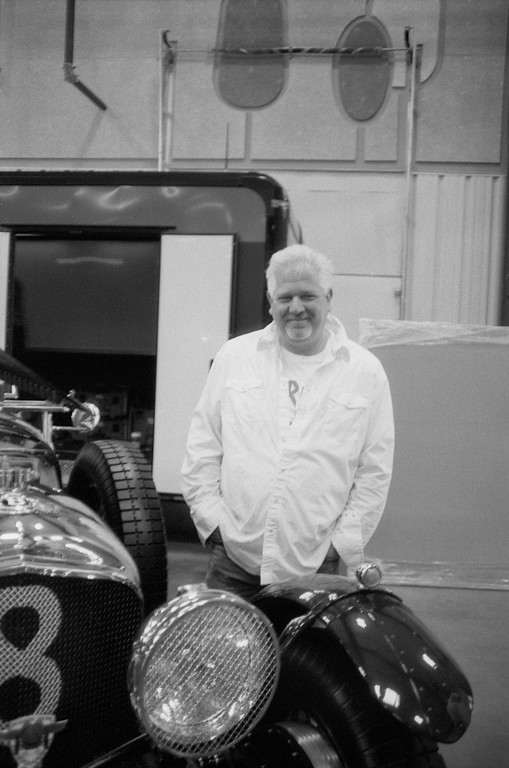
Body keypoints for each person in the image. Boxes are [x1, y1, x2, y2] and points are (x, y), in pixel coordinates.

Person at [181, 244, 394, 600]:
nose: (296, 308)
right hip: (234, 561)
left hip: (315, 566)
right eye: (285, 297)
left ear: (328, 297)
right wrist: (212, 521)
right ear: (270, 301)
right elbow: (203, 445)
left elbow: (374, 470)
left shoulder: (364, 372)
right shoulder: (235, 357)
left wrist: (340, 545)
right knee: (228, 639)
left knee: (307, 641)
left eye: (308, 296)